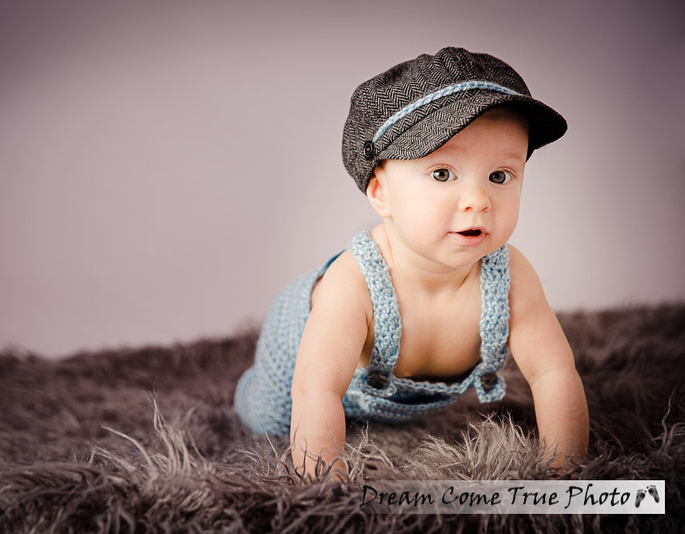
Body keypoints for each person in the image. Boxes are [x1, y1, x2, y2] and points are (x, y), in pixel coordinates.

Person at [234, 47, 589, 480]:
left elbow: (553, 371)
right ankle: (246, 390)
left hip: (390, 401)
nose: (478, 200)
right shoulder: (354, 282)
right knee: (266, 423)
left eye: (500, 176)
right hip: (297, 376)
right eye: (442, 174)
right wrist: (327, 495)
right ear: (381, 192)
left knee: (387, 434)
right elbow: (316, 390)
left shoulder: (511, 276)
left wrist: (566, 471)